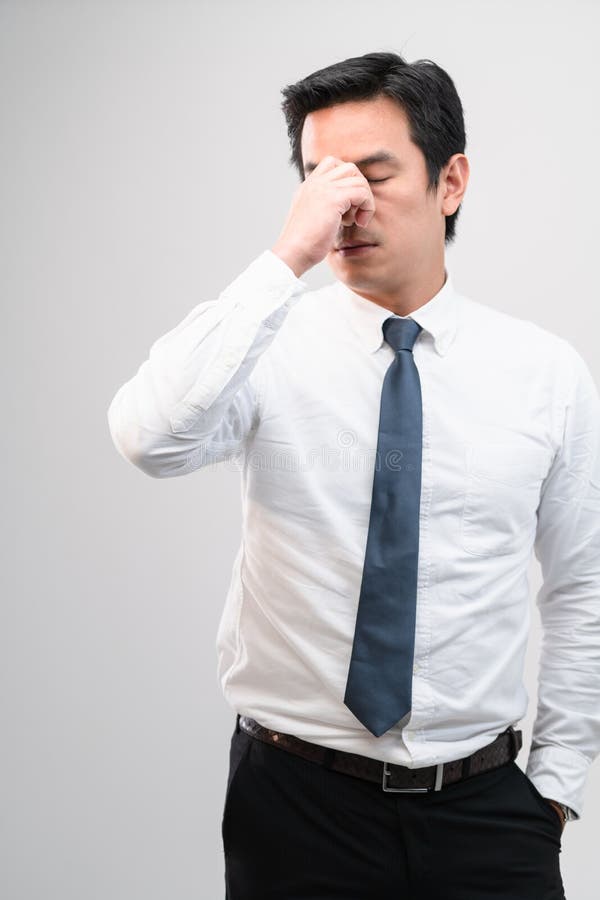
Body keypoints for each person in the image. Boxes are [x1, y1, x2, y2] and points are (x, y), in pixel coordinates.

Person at [107, 50, 600, 899]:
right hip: (296, 808)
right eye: (321, 181)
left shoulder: (544, 373)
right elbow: (149, 438)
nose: (348, 207)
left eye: (375, 173)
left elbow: (582, 587)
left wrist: (555, 788)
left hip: (486, 810)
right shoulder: (263, 348)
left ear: (451, 182)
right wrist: (284, 258)